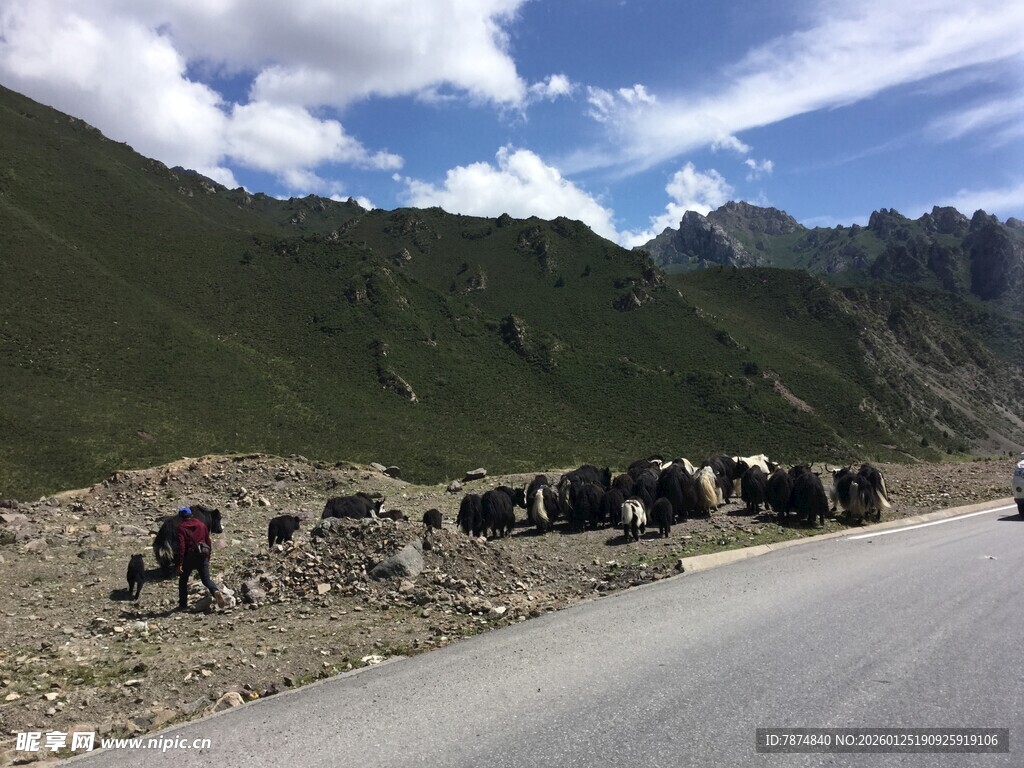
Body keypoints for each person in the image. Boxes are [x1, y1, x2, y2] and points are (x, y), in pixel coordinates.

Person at [175, 506, 225, 611]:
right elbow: (208, 541)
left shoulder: (181, 528)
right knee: (206, 580)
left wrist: (179, 564)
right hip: (202, 556)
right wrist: (208, 557)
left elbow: (181, 547)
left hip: (188, 558)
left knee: (183, 581)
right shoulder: (201, 525)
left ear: (181, 517)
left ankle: (183, 605)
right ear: (191, 515)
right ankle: (215, 591)